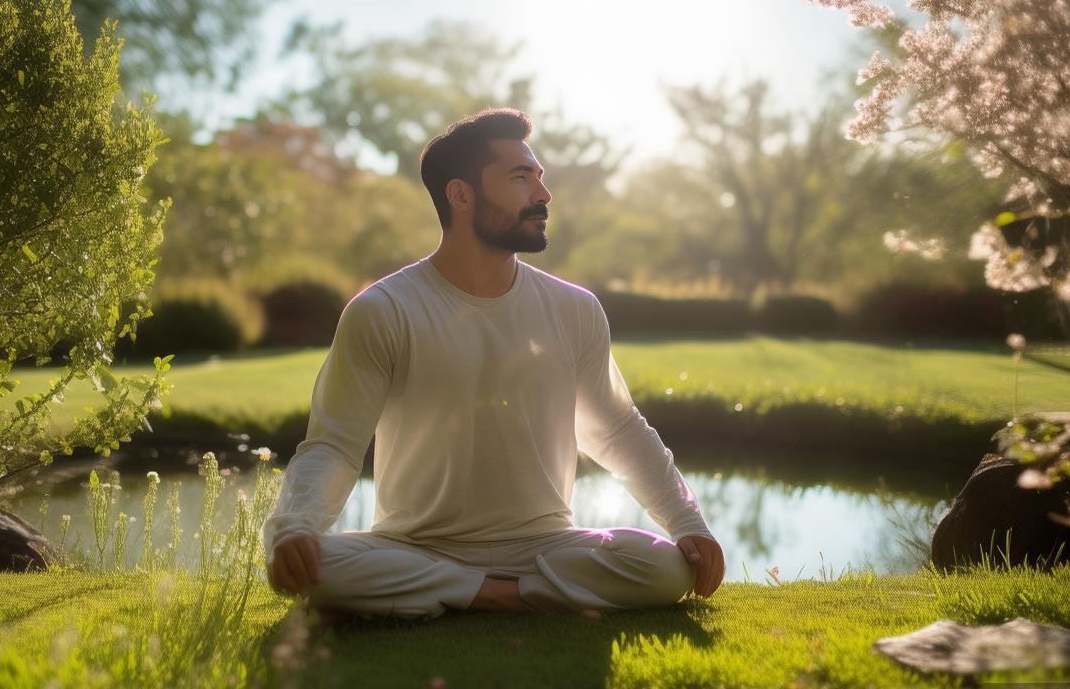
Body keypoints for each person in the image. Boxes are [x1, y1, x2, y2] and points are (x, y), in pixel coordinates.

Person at [262, 108, 725, 621]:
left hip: (547, 546)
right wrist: (296, 526)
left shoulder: (575, 309)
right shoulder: (383, 309)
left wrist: (687, 522)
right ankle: (505, 594)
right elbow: (336, 445)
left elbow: (615, 430)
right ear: (460, 195)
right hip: (415, 546)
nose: (543, 195)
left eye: (540, 178)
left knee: (663, 567)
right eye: (520, 178)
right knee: (323, 567)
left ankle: (462, 593)